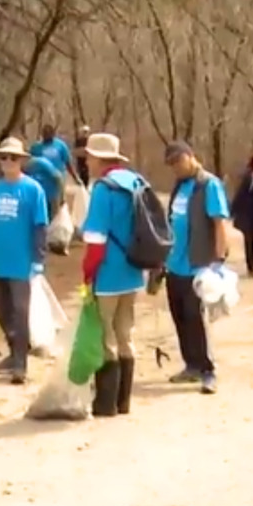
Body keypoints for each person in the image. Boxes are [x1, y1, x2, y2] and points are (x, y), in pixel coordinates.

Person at [80, 133, 151, 416]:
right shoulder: (137, 182)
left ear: (99, 159)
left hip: (108, 272)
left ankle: (105, 403)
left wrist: (88, 274)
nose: (86, 162)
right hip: (134, 269)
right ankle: (124, 402)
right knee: (126, 334)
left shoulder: (103, 189)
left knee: (105, 336)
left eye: (89, 157)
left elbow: (95, 239)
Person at [163, 140, 230, 395]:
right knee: (180, 316)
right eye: (172, 164)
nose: (176, 167)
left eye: (179, 161)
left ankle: (207, 370)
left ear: (190, 156)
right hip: (174, 264)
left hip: (198, 265)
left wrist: (217, 260)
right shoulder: (179, 186)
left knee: (196, 319)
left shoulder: (208, 184)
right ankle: (190, 365)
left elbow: (219, 223)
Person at [0, 137, 49, 385]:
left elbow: (40, 226)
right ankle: (13, 353)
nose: (8, 162)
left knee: (20, 313)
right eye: (4, 157)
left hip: (22, 262)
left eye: (13, 157)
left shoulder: (33, 190)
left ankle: (21, 364)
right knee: (3, 312)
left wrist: (38, 259)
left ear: (21, 161)